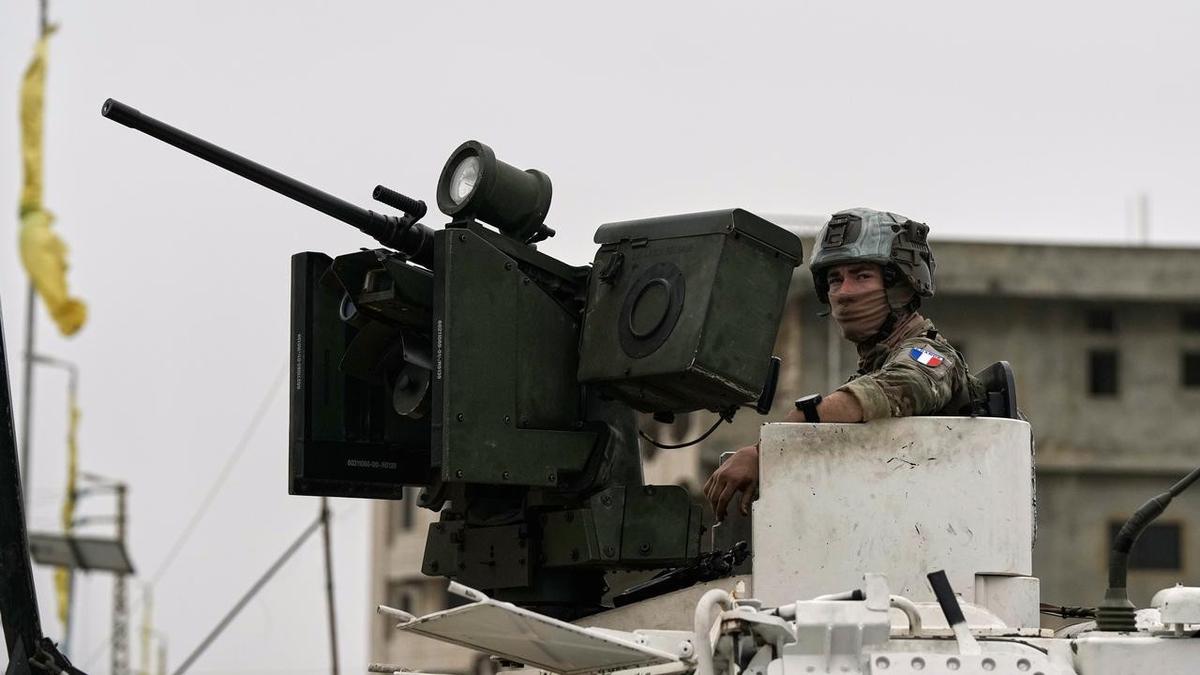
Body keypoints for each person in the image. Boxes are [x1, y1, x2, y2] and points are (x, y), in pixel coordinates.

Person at [703, 207, 979, 520]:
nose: (844, 293)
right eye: (835, 280)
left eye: (861, 276)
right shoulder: (873, 368)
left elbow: (900, 385)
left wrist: (765, 451)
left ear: (902, 285)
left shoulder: (930, 356)